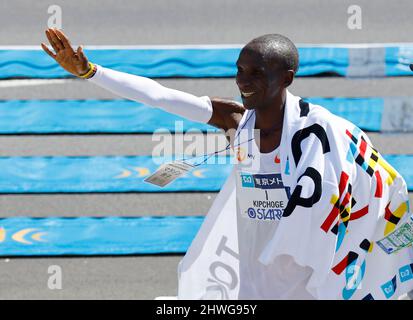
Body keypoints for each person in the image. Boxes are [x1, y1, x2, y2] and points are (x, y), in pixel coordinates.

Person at [41, 28, 413, 300]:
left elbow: (356, 180)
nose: (243, 81)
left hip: (308, 275)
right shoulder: (235, 121)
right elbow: (160, 97)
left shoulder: (318, 134)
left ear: (287, 79)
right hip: (253, 271)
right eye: (239, 70)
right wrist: (91, 72)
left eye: (256, 73)